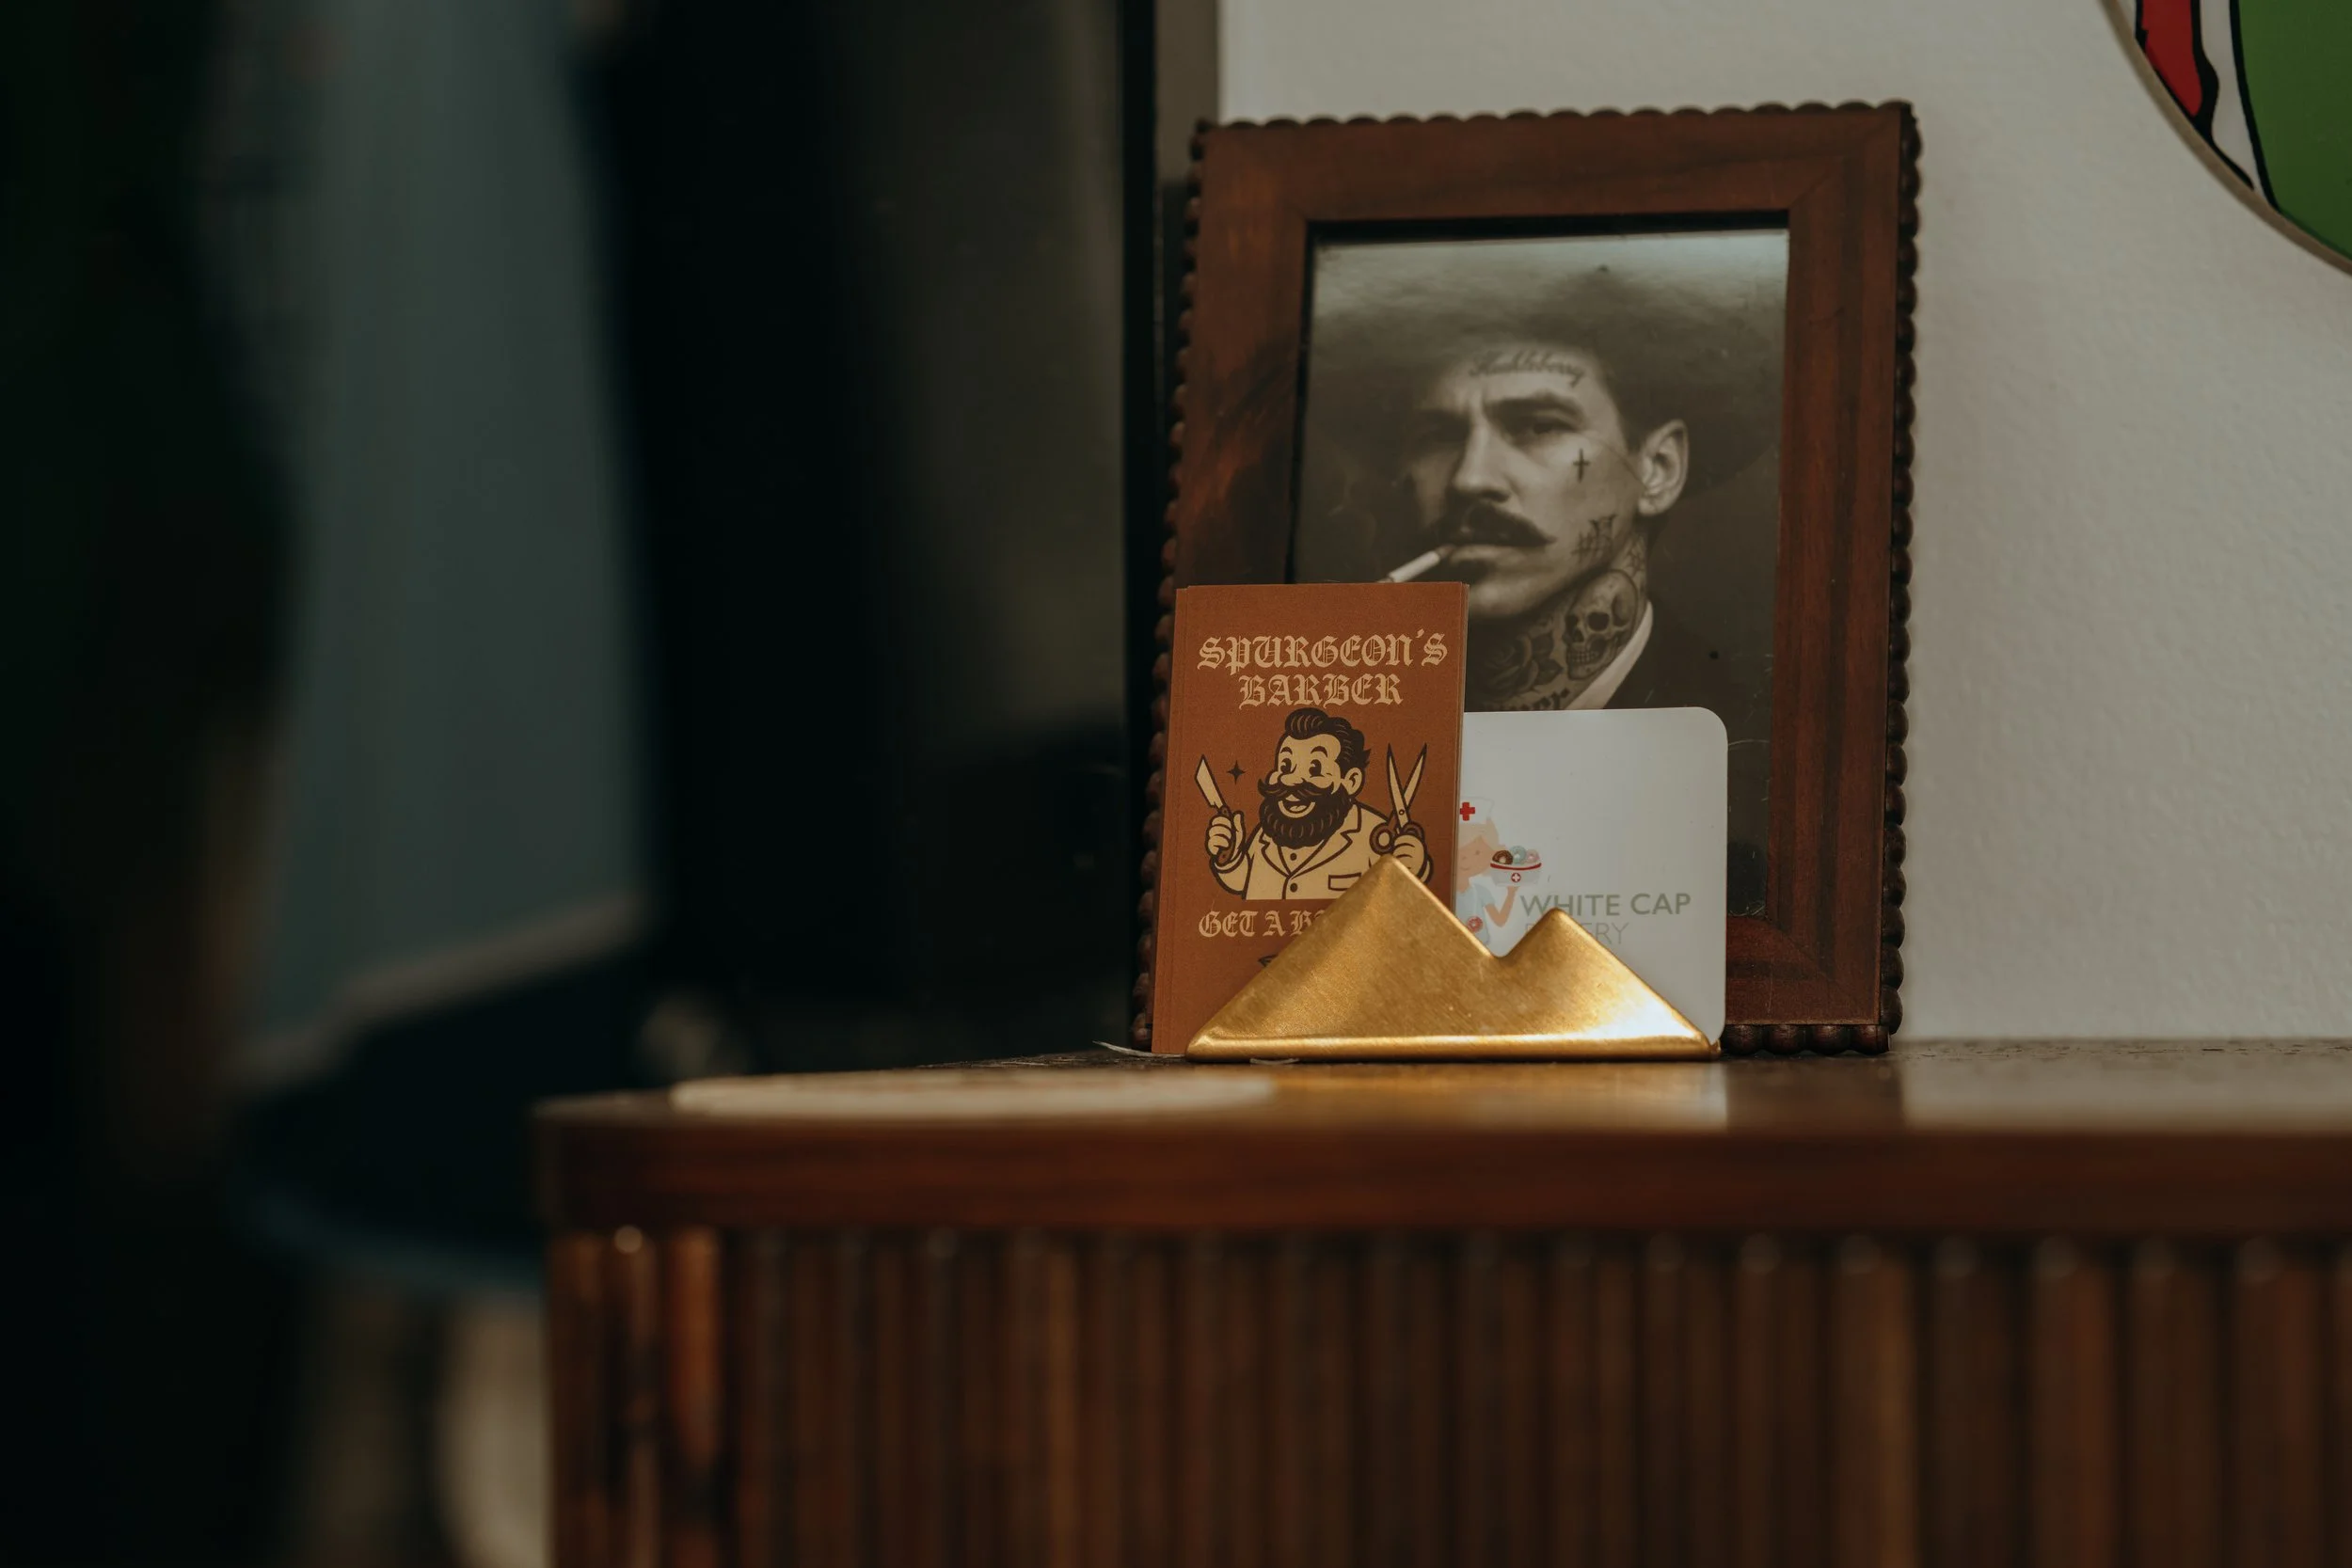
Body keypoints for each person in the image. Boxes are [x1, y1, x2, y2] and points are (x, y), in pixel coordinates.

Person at [1203, 707, 1428, 900]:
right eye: (1286, 766)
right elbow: (1244, 882)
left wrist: (1414, 873)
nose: (1291, 780)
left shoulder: (1373, 836)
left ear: (1351, 781)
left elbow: (1399, 914)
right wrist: (1230, 858)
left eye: (1315, 770)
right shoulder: (1266, 835)